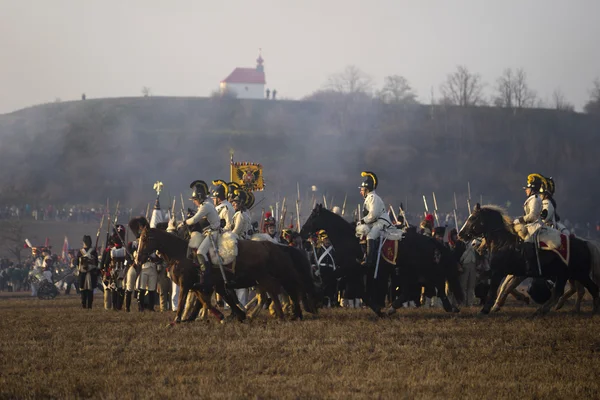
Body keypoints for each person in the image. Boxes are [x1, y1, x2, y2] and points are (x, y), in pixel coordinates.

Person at [183, 180, 220, 291]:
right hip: (209, 231)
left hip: (214, 232)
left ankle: (205, 279)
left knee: (200, 252)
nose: (194, 202)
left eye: (195, 200)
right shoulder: (206, 204)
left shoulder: (206, 206)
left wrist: (184, 222)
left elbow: (194, 220)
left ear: (199, 197)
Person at [357, 171, 392, 268]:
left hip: (381, 222)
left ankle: (369, 260)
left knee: (370, 235)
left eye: (362, 189)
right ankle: (364, 255)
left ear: (367, 189)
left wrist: (363, 221)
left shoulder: (373, 197)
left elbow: (373, 215)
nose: (361, 191)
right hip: (375, 222)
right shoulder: (369, 198)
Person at [514, 174, 544, 276]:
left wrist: (519, 220)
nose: (526, 190)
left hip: (534, 227)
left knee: (527, 242)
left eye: (527, 188)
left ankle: (530, 267)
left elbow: (532, 216)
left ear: (532, 189)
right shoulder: (532, 199)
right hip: (530, 226)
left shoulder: (535, 199)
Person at [77, 235, 99, 309]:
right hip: (91, 273)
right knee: (90, 291)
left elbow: (77, 263)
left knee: (83, 291)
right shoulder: (94, 252)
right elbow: (96, 263)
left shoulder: (80, 252)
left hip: (83, 273)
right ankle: (89, 306)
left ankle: (84, 305)